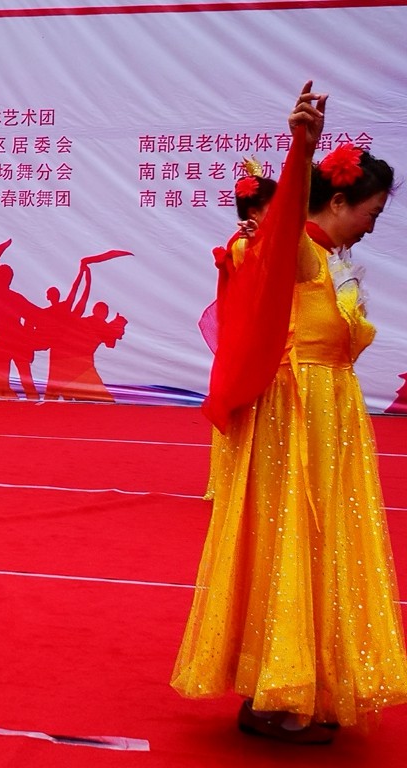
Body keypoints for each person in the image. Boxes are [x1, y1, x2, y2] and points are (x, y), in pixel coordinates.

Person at [173, 82, 407, 742]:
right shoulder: (301, 251)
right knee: (291, 542)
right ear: (338, 201)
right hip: (298, 415)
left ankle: (296, 687)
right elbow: (283, 229)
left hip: (331, 415)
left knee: (315, 544)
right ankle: (278, 696)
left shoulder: (333, 260)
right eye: (371, 212)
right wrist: (302, 148)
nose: (372, 225)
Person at [202, 161, 277, 499]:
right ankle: (239, 479)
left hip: (261, 332)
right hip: (250, 335)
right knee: (247, 405)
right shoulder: (243, 245)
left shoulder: (262, 240)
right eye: (274, 206)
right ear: (254, 211)